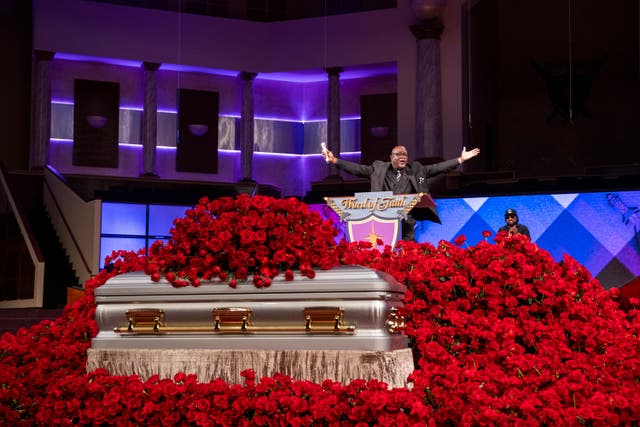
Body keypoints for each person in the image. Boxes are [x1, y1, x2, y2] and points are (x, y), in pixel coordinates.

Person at [322, 145, 480, 241]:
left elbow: (437, 168)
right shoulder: (378, 168)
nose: (403, 157)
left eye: (405, 154)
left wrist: (460, 159)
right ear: (391, 157)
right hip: (381, 221)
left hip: (406, 222)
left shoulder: (416, 169)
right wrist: (335, 160)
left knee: (407, 252)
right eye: (399, 154)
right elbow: (357, 169)